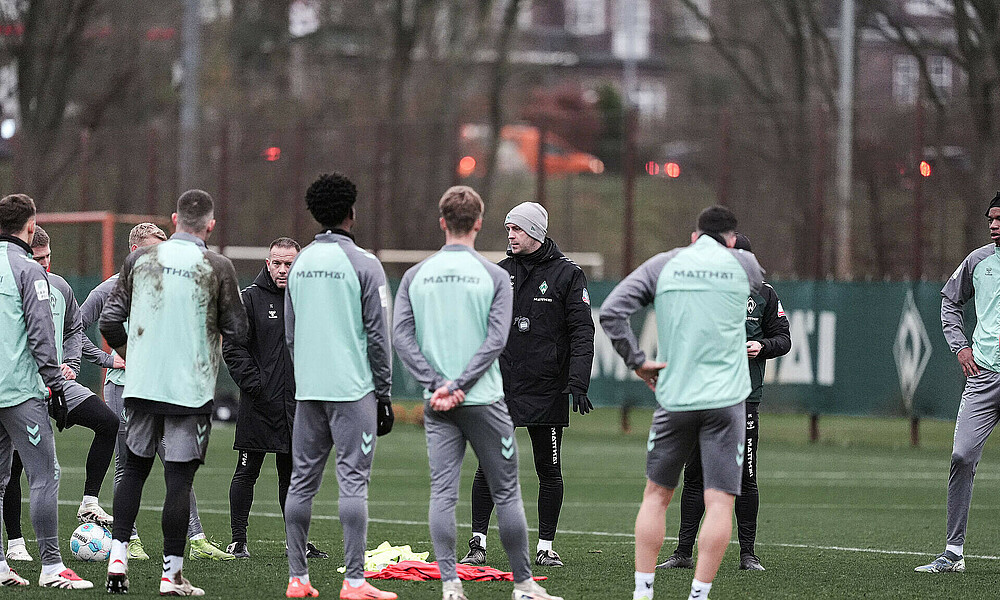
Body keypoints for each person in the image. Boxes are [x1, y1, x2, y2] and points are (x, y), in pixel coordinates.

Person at [394, 186, 563, 600]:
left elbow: (400, 336)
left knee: (443, 492)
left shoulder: (416, 275)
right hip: (484, 399)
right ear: (480, 223)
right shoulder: (494, 275)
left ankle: (451, 584)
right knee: (507, 491)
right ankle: (523, 585)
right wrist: (462, 385)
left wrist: (436, 385)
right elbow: (496, 339)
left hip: (438, 404)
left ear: (442, 222)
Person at [599, 206, 764, 600]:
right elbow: (753, 277)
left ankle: (643, 592)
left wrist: (637, 361)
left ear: (694, 235)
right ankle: (699, 594)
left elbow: (611, 311)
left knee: (656, 496)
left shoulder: (664, 264)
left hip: (676, 396)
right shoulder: (744, 264)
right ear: (730, 238)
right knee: (720, 501)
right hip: (727, 400)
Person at [100, 190, 248, 595]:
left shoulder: (139, 260)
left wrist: (136, 355)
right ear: (211, 226)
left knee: (132, 470)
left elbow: (110, 323)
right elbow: (238, 332)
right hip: (191, 390)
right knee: (178, 482)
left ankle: (117, 557)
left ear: (174, 219)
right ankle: (171, 575)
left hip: (143, 386)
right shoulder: (218, 266)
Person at [80, 223, 234, 562]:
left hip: (166, 390)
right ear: (135, 251)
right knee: (127, 465)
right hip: (124, 390)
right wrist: (108, 359)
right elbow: (74, 328)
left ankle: (196, 539)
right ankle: (129, 540)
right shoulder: (109, 289)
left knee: (178, 463)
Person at [461, 201, 595, 568]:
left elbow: (583, 331)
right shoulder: (499, 273)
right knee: (488, 464)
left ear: (535, 232)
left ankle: (546, 547)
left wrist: (577, 380)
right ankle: (477, 545)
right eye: (508, 228)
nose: (509, 234)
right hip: (500, 386)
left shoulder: (569, 275)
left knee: (548, 468)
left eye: (516, 229)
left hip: (547, 388)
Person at [282, 173, 396, 600]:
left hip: (309, 389)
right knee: (353, 483)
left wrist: (307, 374)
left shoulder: (300, 262)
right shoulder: (365, 264)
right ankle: (353, 582)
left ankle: (298, 579)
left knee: (301, 482)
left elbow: (290, 335)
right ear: (352, 212)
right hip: (353, 390)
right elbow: (378, 335)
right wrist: (383, 392)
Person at [657, 232, 790, 572]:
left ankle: (749, 554)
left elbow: (784, 338)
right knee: (696, 474)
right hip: (704, 396)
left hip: (744, 398)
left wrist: (763, 346)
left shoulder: (765, 294)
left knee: (745, 476)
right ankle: (683, 552)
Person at [2, 227, 121, 561]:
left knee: (108, 423)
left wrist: (71, 361)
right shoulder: (13, 285)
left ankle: (89, 503)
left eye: (47, 257)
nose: (44, 264)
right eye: (37, 259)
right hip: (23, 384)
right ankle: (15, 543)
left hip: (59, 382)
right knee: (13, 466)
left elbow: (74, 329)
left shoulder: (61, 287)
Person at [0, 193, 93, 589]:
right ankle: (52, 567)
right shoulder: (28, 271)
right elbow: (41, 336)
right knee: (42, 475)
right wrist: (56, 382)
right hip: (19, 392)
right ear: (31, 226)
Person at [222, 236, 327, 560]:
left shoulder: (309, 299)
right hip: (258, 405)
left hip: (296, 406)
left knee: (293, 476)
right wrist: (258, 385)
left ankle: (297, 542)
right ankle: (238, 540)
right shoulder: (249, 299)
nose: (283, 269)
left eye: (289, 263)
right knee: (246, 472)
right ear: (268, 263)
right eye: (277, 263)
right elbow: (233, 348)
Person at [915, 191, 1000, 573]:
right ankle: (953, 553)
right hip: (983, 378)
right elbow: (950, 302)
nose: (994, 225)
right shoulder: (978, 260)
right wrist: (961, 347)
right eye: (991, 220)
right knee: (961, 456)